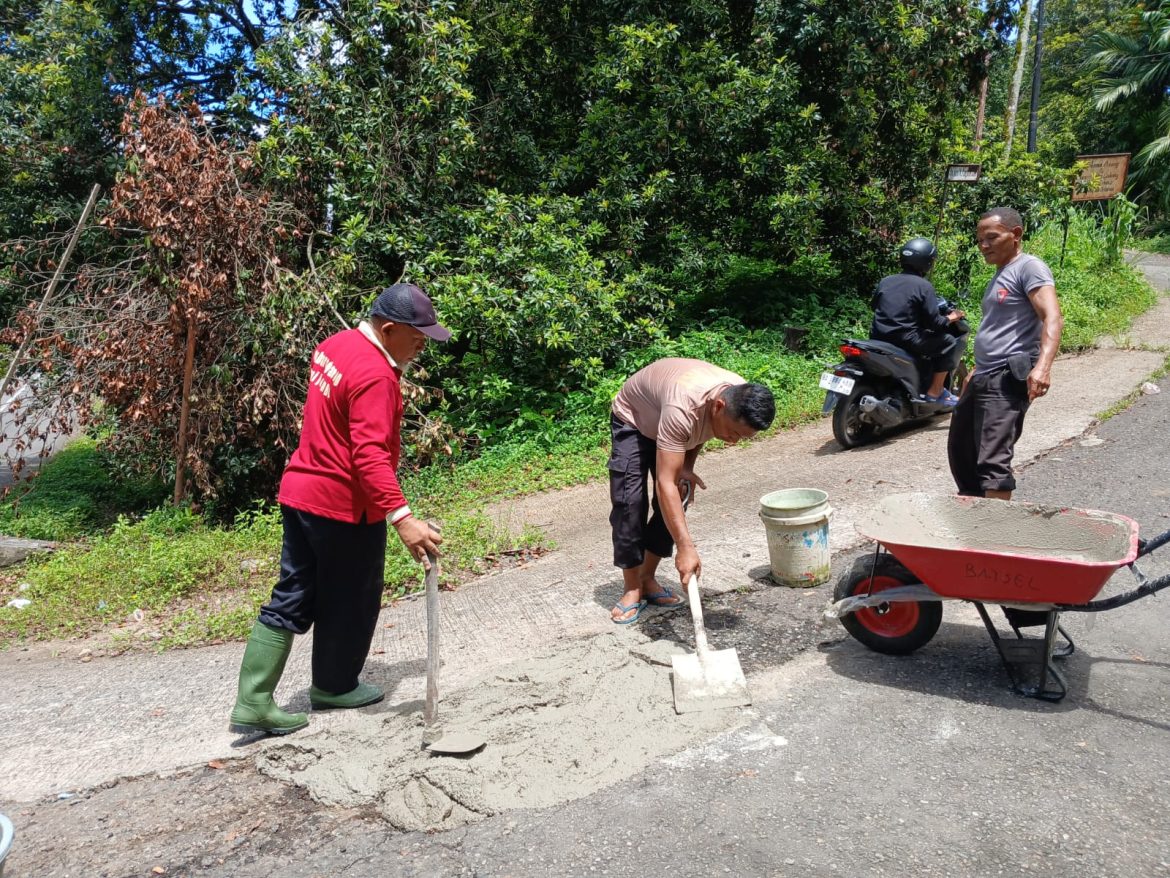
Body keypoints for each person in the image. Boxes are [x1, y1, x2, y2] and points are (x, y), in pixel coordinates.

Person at [229, 282, 450, 736]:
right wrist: (402, 518)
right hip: (342, 507)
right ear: (388, 329)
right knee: (352, 598)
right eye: (418, 336)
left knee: (294, 590)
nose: (422, 345)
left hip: (300, 493)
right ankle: (333, 686)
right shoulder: (376, 375)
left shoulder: (335, 344)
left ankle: (252, 700)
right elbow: (367, 455)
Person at [608, 358, 775, 624]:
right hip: (636, 419)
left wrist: (687, 466)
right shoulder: (683, 407)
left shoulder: (736, 395)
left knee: (679, 493)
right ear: (719, 407)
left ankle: (647, 577)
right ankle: (632, 588)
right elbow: (665, 482)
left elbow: (702, 429)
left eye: (742, 438)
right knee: (630, 502)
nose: (734, 442)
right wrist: (686, 548)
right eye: (733, 433)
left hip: (673, 421)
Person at [947, 207, 1063, 500]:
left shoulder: (1029, 267)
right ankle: (975, 524)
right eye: (979, 240)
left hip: (1005, 378)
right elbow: (999, 327)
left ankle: (993, 535)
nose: (983, 245)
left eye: (991, 237)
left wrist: (1043, 367)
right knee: (963, 452)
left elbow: (1052, 317)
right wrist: (975, 369)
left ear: (1016, 235)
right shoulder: (1001, 274)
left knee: (992, 461)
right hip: (985, 375)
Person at [870, 236, 966, 405]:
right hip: (906, 339)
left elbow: (875, 306)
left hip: (878, 337)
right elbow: (935, 323)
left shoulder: (886, 281)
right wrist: (952, 316)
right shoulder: (923, 286)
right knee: (949, 341)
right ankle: (935, 392)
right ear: (927, 262)